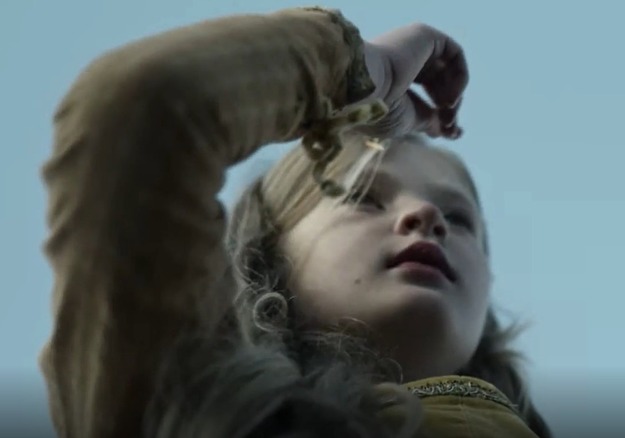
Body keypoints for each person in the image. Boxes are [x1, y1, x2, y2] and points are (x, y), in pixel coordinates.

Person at [39, 6, 552, 438]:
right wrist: (358, 78)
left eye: (461, 219)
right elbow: (140, 112)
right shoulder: (199, 410)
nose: (427, 217)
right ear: (267, 256)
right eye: (362, 197)